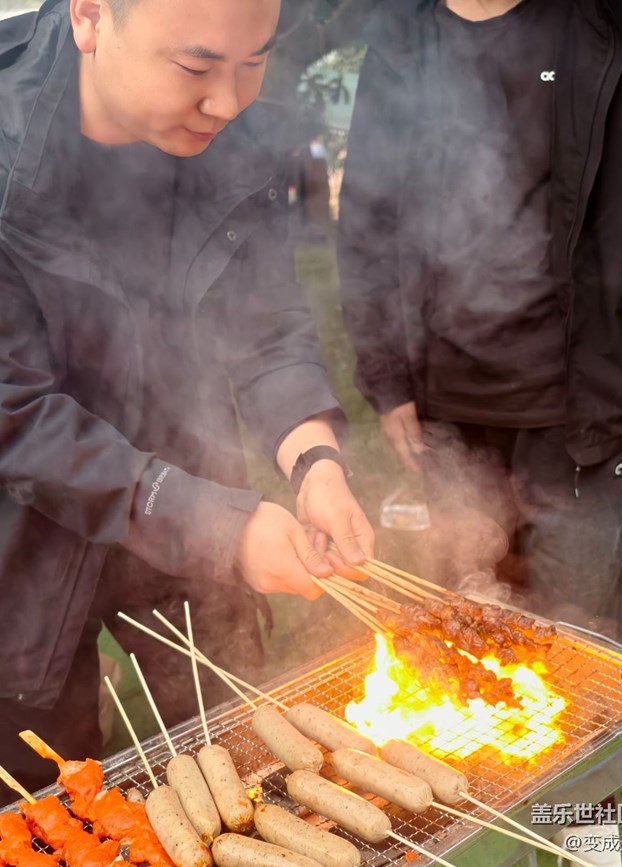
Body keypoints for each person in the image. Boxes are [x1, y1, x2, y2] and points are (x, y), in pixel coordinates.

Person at [0, 0, 374, 803]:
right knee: (56, 811)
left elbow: (267, 323)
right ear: (91, 15)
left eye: (254, 62)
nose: (230, 103)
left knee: (238, 772)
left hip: (186, 517)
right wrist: (221, 521)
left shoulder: (229, 131)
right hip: (20, 553)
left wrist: (312, 457)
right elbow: (16, 416)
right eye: (198, 68)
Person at [339, 2, 622, 862]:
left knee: (593, 676)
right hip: (451, 418)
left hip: (581, 407)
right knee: (470, 673)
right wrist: (387, 377)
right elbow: (366, 215)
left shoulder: (610, 19)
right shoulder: (404, 36)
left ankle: (590, 850)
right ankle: (492, 846)